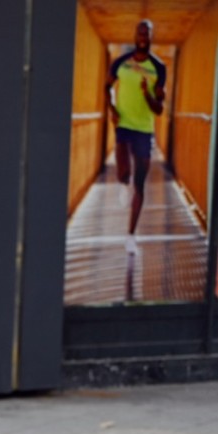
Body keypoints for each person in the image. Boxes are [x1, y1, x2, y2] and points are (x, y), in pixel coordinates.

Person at [107, 19, 166, 256]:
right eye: (140, 33)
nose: (143, 37)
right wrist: (112, 108)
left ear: (151, 37)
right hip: (123, 123)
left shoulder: (159, 68)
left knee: (140, 183)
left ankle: (131, 235)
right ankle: (122, 182)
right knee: (124, 173)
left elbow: (159, 109)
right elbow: (107, 88)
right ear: (135, 35)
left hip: (144, 128)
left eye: (147, 34)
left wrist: (146, 94)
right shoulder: (121, 62)